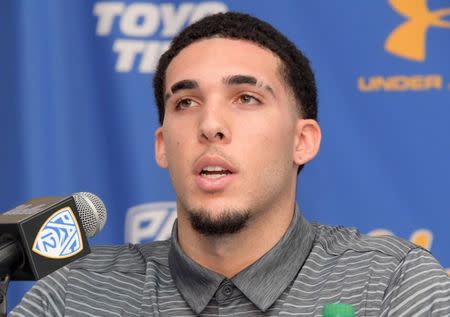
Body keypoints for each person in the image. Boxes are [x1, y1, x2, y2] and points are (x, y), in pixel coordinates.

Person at [11, 12, 450, 316]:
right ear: (163, 146)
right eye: (185, 102)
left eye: (246, 98)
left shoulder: (390, 284)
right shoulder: (74, 296)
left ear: (303, 141)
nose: (211, 124)